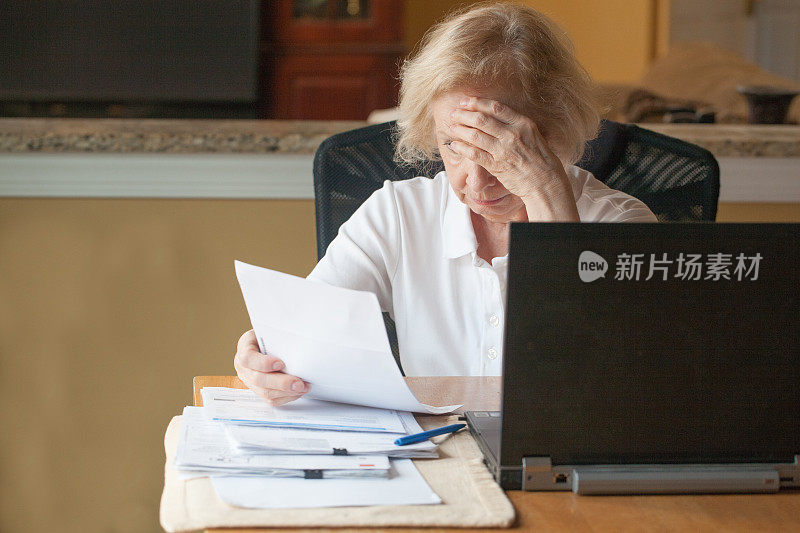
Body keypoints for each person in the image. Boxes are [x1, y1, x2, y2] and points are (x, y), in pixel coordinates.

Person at [234, 2, 657, 405]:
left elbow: (610, 382)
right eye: (453, 145)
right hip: (434, 456)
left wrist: (547, 193)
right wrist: (265, 357)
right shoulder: (399, 213)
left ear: (554, 130)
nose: (474, 182)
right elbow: (305, 334)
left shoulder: (622, 224)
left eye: (498, 148)